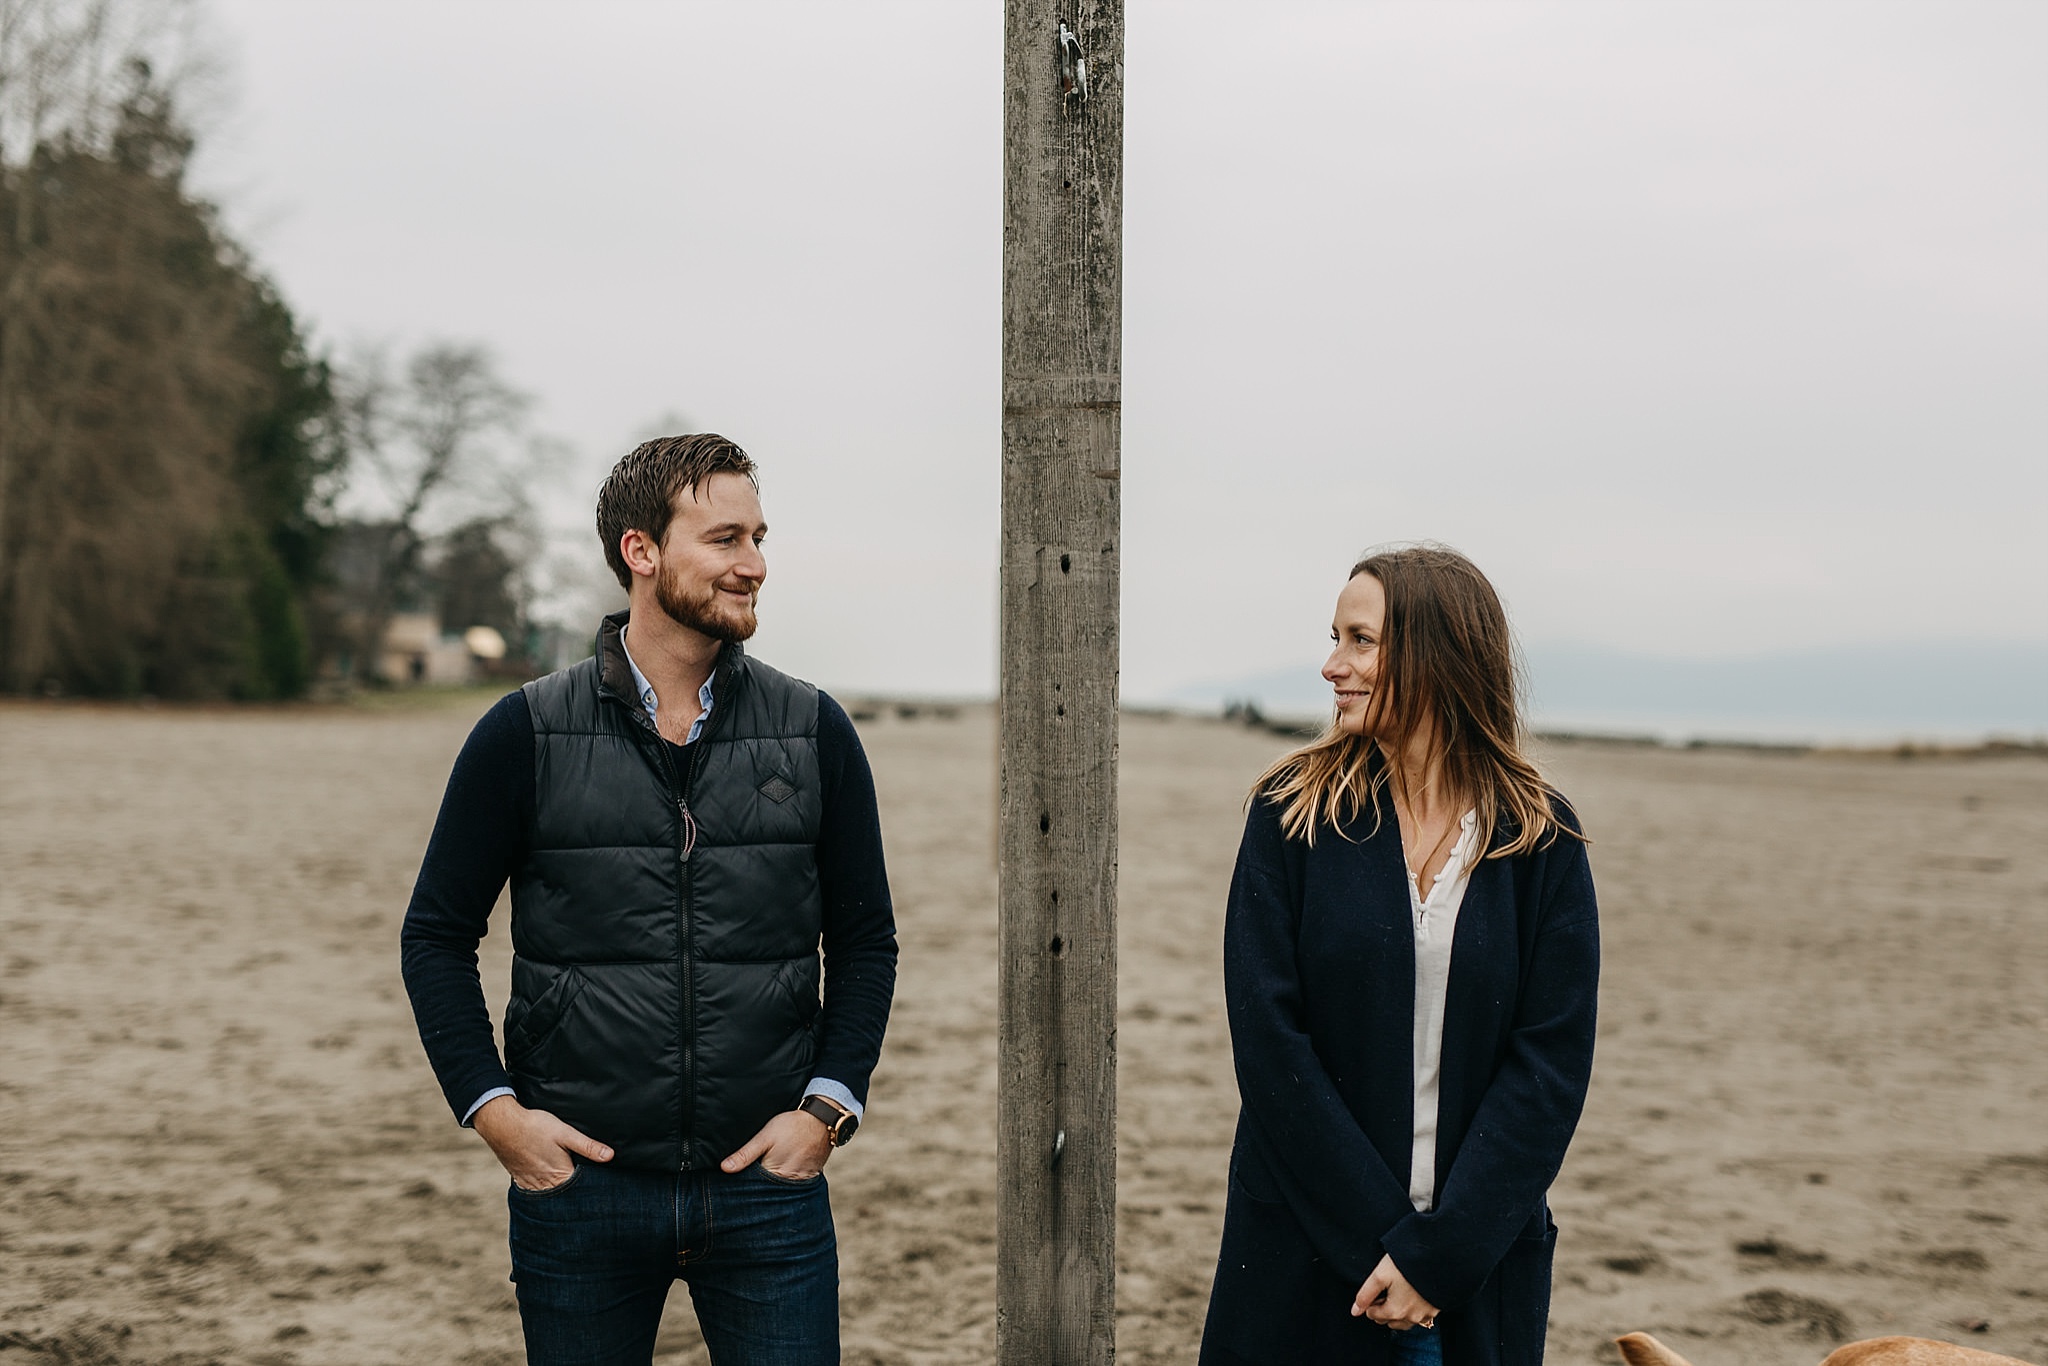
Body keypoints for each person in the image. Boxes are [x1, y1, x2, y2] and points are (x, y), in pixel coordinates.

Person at [400, 434, 898, 1365]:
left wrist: (826, 1111)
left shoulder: (814, 729)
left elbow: (866, 941)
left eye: (758, 537)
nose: (754, 565)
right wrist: (496, 1115)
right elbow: (435, 937)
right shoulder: (525, 733)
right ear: (642, 552)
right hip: (580, 1188)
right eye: (724, 540)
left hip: (767, 1187)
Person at [1199, 545, 1599, 1366]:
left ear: (1437, 653)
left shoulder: (1542, 839)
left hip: (1471, 1270)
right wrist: (1381, 1246)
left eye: (1361, 641)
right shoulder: (1290, 817)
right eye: (1336, 638)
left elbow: (1549, 1067)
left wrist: (1440, 1257)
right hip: (1305, 1255)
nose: (1331, 666)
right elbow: (1272, 1045)